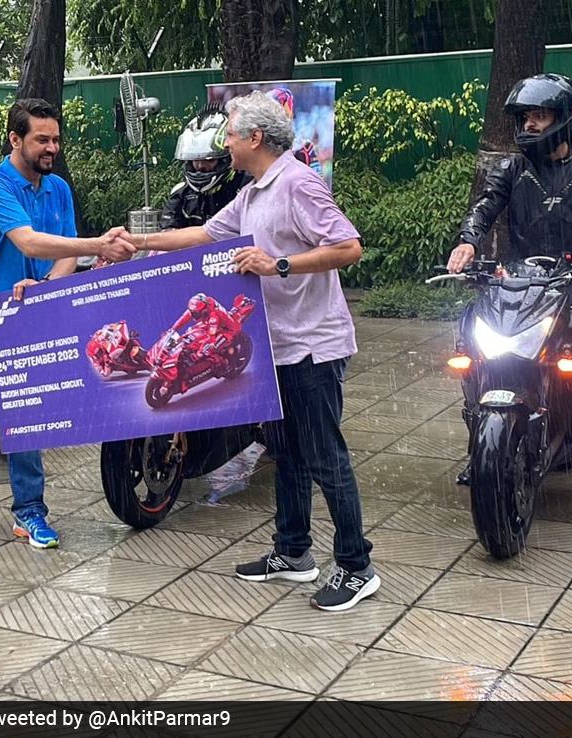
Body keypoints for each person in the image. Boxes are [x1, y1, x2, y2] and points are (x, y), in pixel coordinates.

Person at [108, 91, 379, 611]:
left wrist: (277, 265)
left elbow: (349, 247)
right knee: (287, 454)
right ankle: (294, 552)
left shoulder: (297, 183)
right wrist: (137, 243)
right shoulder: (254, 193)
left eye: (229, 134)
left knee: (325, 457)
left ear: (255, 138)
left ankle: (356, 566)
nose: (224, 144)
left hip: (312, 347)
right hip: (274, 348)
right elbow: (202, 234)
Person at [447, 73, 572, 504]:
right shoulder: (512, 170)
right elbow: (484, 207)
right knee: (473, 357)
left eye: (540, 116)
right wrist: (468, 239)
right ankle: (482, 449)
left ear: (567, 118)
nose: (531, 125)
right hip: (520, 288)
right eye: (525, 117)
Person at [0, 98, 135, 548]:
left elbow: (65, 253)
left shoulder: (59, 189)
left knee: (27, 419)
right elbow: (29, 242)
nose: (52, 147)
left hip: (33, 323)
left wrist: (48, 286)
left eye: (55, 139)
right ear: (16, 139)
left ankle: (29, 510)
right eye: (41, 139)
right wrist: (99, 246)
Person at [161, 103, 252, 230]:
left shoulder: (248, 187)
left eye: (208, 159)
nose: (200, 166)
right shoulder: (180, 193)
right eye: (194, 159)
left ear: (225, 158)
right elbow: (167, 235)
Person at [163, 292, 242, 370]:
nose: (193, 315)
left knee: (208, 349)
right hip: (211, 325)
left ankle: (221, 363)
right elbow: (183, 319)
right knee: (190, 331)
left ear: (204, 311)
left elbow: (212, 336)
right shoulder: (198, 308)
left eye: (195, 313)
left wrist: (201, 352)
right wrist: (172, 330)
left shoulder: (213, 316)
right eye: (192, 312)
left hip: (227, 330)